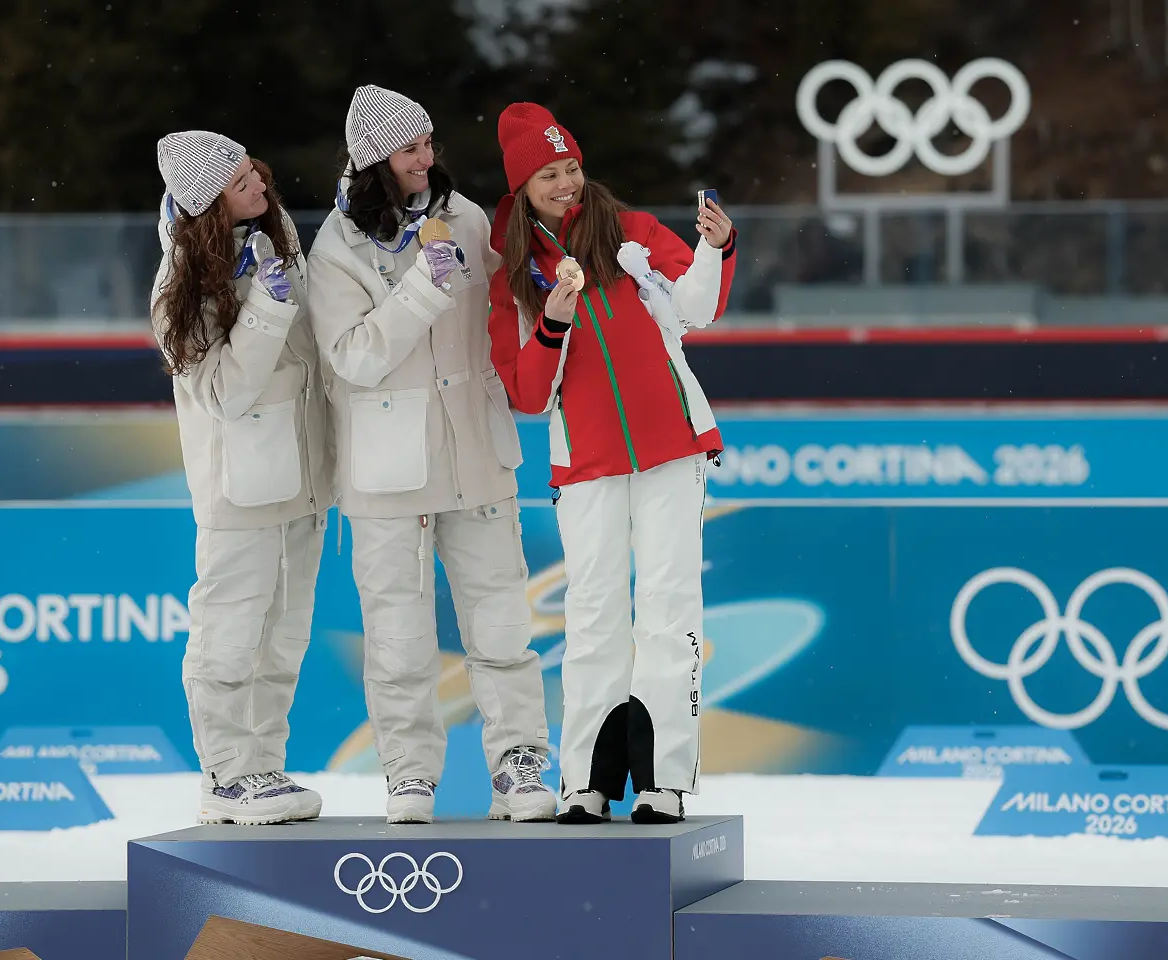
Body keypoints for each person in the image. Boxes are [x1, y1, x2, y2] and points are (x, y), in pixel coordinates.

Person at [306, 85, 554, 825]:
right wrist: (421, 287)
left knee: (504, 627)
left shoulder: (468, 216)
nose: (428, 157)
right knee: (398, 641)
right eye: (411, 148)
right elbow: (351, 356)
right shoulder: (335, 247)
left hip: (477, 456)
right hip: (387, 475)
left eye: (429, 142)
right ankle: (409, 774)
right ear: (377, 159)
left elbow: (510, 307)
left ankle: (519, 763)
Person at [486, 103, 737, 825]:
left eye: (571, 167)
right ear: (523, 188)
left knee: (667, 610)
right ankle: (585, 782)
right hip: (586, 464)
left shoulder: (629, 228)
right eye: (549, 175)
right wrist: (554, 319)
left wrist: (717, 247)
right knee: (593, 617)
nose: (566, 184)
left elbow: (699, 305)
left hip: (671, 451)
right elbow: (529, 393)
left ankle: (663, 779)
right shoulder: (517, 270)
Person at [151, 130, 333, 825]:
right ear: (208, 208)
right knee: (229, 634)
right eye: (239, 182)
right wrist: (268, 304)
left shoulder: (275, 234)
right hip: (239, 489)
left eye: (252, 167)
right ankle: (224, 776)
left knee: (283, 637)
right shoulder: (179, 288)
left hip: (305, 479)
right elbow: (225, 391)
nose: (258, 181)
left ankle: (262, 769)